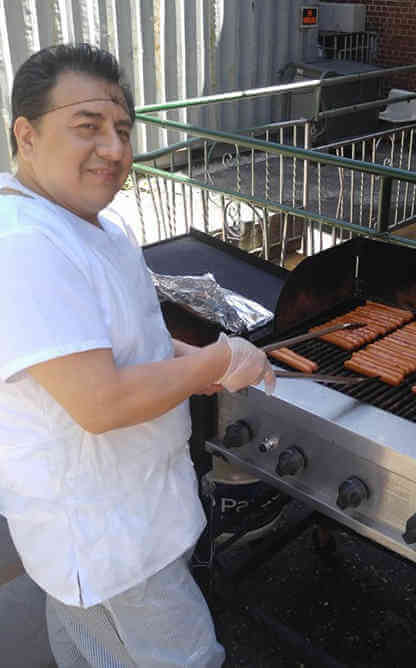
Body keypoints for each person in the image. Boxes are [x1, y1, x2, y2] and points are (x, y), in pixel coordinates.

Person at [0, 43, 276, 667]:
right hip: (105, 535)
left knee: (90, 649)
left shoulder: (98, 222)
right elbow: (101, 402)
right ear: (27, 134)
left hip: (131, 510)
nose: (114, 148)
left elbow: (130, 339)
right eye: (87, 127)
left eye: (122, 129)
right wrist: (215, 358)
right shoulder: (23, 246)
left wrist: (193, 360)